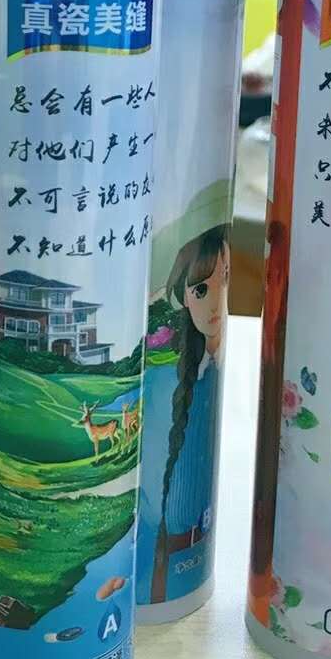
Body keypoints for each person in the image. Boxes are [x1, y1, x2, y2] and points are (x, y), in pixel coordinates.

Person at [140, 224, 230, 603]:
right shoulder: (166, 379)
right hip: (161, 553)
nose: (215, 302)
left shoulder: (212, 372)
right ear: (184, 298)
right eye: (200, 290)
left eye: (224, 279)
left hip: (192, 553)